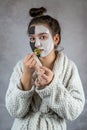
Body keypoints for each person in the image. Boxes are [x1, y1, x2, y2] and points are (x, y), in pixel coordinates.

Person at [5, 7, 85, 130]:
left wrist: (51, 85)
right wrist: (26, 75)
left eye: (42, 37)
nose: (36, 44)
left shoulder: (69, 68)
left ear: (56, 39)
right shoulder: (21, 67)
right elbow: (13, 111)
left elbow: (74, 111)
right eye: (32, 38)